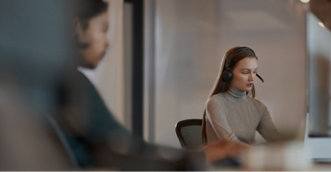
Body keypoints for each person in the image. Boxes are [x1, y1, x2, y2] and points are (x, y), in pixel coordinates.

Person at [55, 0, 248, 170]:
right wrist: (200, 157)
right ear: (77, 28)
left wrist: (203, 153)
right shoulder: (74, 86)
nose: (107, 43)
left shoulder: (54, 85)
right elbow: (129, 151)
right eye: (103, 29)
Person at [202, 46, 280, 145]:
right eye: (245, 72)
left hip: (248, 159)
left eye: (255, 72)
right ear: (228, 74)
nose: (252, 78)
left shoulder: (259, 107)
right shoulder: (215, 102)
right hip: (223, 160)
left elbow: (277, 141)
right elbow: (232, 144)